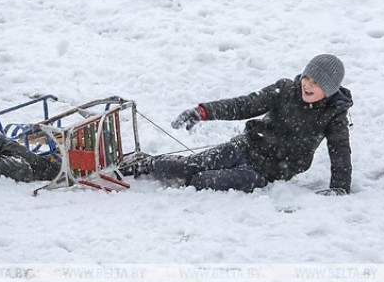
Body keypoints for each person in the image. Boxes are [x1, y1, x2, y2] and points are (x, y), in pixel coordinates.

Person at [120, 54, 353, 195]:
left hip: (262, 173)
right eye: (307, 78)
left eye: (316, 83)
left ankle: (184, 179)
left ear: (330, 90)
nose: (308, 85)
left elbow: (340, 151)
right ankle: (145, 163)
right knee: (191, 164)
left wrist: (340, 186)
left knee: (204, 181)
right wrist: (203, 111)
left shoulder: (334, 115)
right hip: (243, 148)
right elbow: (244, 104)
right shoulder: (284, 91)